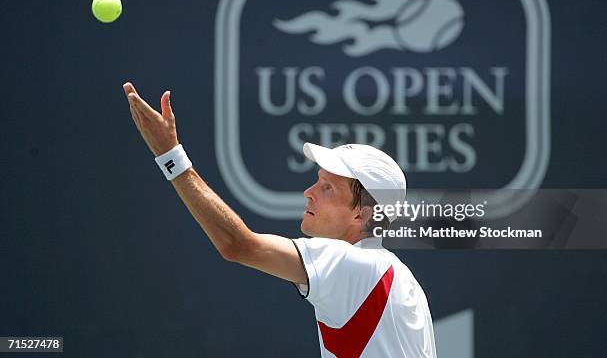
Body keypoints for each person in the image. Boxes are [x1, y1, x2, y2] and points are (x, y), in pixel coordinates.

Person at [122, 82, 437, 358]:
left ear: (362, 214)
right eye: (317, 181)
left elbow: (238, 245)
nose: (309, 192)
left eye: (328, 187)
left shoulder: (353, 264)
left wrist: (170, 155)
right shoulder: (398, 277)